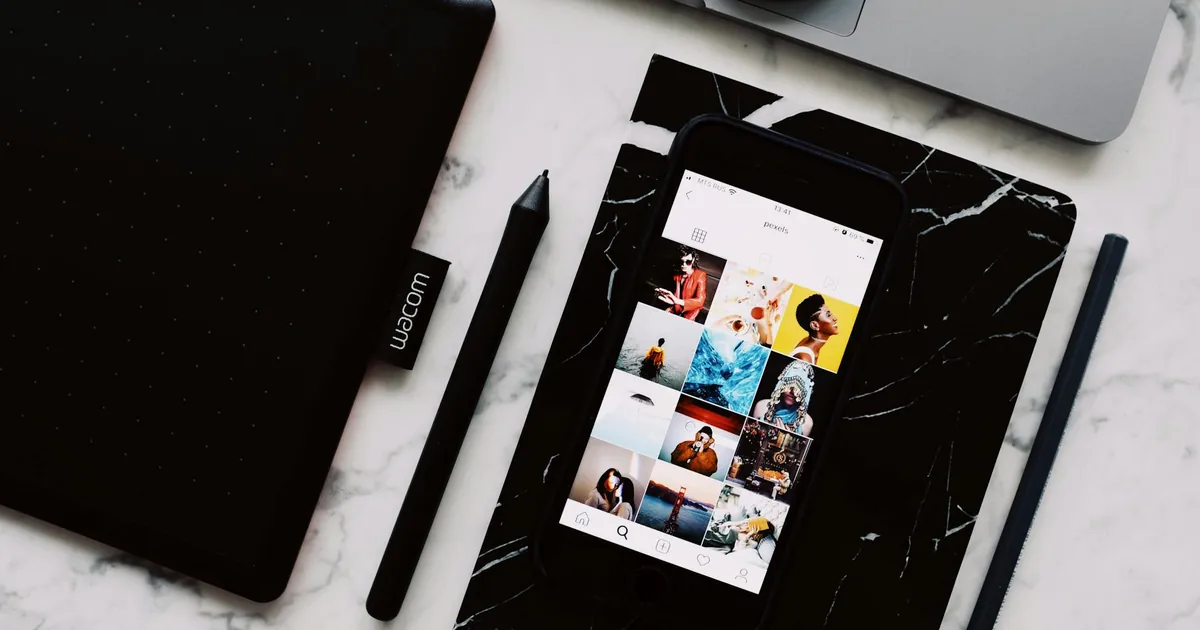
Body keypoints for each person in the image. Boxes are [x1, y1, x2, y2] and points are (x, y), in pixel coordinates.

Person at [751, 359, 815, 436]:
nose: (792, 392)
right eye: (789, 383)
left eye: (799, 387)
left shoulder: (806, 423)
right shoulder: (761, 407)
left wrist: (787, 439)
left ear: (806, 391)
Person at [655, 246, 707, 321]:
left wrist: (676, 300)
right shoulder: (677, 275)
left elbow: (700, 301)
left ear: (693, 260)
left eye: (688, 262)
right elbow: (676, 294)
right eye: (681, 261)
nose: (684, 264)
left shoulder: (700, 275)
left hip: (689, 313)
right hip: (676, 307)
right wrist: (672, 301)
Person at [789, 293, 839, 365]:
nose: (835, 318)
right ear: (815, 325)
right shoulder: (805, 358)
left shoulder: (810, 342)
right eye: (828, 315)